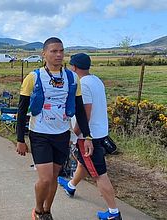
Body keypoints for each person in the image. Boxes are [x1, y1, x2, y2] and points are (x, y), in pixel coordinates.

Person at [15, 37, 94, 220]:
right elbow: (21, 110)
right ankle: (37, 209)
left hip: (62, 135)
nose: (58, 54)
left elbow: (80, 109)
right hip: (40, 134)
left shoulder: (72, 78)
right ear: (44, 54)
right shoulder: (33, 77)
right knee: (45, 178)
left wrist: (87, 136)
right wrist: (20, 139)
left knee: (54, 176)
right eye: (53, 51)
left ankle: (47, 211)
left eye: (61, 51)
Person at [57, 53, 122, 220]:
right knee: (83, 162)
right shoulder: (96, 80)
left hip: (89, 137)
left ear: (74, 67)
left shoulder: (83, 84)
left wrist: (76, 134)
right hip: (100, 132)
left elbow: (85, 113)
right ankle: (71, 186)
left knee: (100, 173)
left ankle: (113, 213)